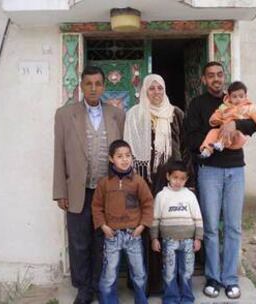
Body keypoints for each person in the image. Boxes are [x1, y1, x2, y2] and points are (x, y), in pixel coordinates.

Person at [184, 62, 256, 300]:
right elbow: (191, 137)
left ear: (223, 77)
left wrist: (234, 124)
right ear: (204, 80)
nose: (216, 79)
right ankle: (213, 278)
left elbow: (255, 124)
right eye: (211, 76)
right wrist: (216, 137)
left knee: (234, 227)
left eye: (219, 74)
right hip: (210, 171)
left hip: (236, 170)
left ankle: (230, 279)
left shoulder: (238, 100)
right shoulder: (197, 104)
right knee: (211, 228)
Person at [53, 66, 125, 304]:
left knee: (103, 241)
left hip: (107, 191)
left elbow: (123, 154)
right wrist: (60, 191)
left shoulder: (116, 115)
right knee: (79, 241)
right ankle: (83, 288)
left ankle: (99, 285)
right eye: (88, 84)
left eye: (97, 83)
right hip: (78, 189)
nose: (93, 88)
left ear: (104, 87)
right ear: (81, 87)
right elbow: (59, 154)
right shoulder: (65, 115)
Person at [124, 74, 190, 293]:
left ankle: (169, 283)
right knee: (144, 229)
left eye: (160, 88)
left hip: (169, 182)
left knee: (167, 230)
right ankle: (145, 282)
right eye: (151, 89)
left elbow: (187, 149)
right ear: (144, 91)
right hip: (143, 181)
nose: (156, 93)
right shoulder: (134, 115)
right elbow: (128, 152)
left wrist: (184, 179)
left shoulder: (175, 114)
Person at [91, 139, 153, 304]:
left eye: (128, 155)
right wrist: (103, 226)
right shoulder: (104, 183)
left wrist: (142, 226)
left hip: (133, 235)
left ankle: (141, 299)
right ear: (111, 159)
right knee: (109, 273)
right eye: (120, 156)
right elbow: (96, 207)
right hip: (112, 236)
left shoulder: (138, 181)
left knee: (139, 272)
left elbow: (148, 204)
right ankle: (108, 301)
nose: (125, 159)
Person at [150, 161, 203, 304]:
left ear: (186, 179)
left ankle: (187, 297)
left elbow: (198, 217)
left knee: (187, 271)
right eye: (175, 177)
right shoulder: (161, 196)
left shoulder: (190, 196)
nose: (178, 182)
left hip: (188, 241)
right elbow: (155, 219)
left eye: (182, 179)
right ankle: (171, 298)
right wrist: (154, 238)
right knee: (169, 271)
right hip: (169, 241)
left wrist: (198, 238)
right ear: (168, 176)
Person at [200, 81, 256, 158]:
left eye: (241, 96)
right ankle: (207, 150)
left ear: (246, 96)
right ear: (229, 97)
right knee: (213, 132)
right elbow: (217, 113)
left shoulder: (249, 107)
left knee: (232, 132)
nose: (238, 99)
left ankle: (221, 143)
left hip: (238, 135)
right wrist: (215, 120)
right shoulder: (224, 106)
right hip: (223, 131)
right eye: (234, 96)